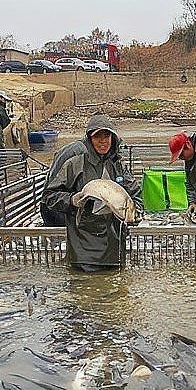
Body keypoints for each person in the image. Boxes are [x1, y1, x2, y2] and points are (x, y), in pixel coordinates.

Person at [42, 114, 140, 272]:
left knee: (117, 293)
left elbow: (135, 193)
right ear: (89, 139)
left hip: (115, 248)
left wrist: (135, 214)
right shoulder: (75, 164)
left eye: (107, 135)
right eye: (97, 136)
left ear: (113, 137)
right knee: (85, 292)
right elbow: (49, 196)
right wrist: (73, 200)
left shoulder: (118, 166)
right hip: (83, 250)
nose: (103, 141)